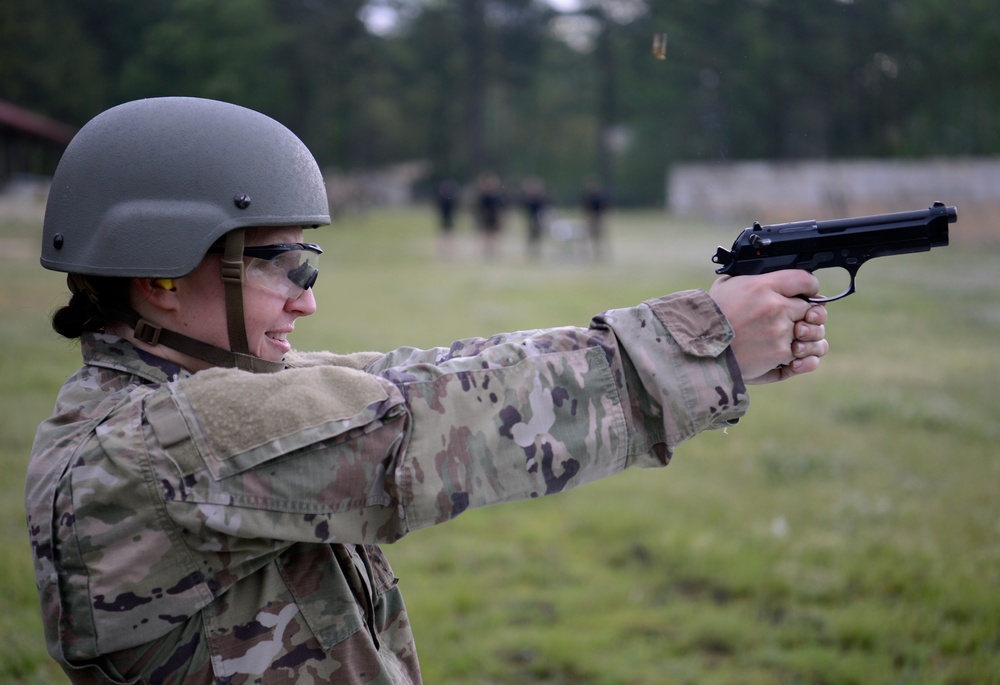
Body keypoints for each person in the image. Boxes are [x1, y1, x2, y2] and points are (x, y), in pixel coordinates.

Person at [26, 97, 829, 685]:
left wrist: (712, 341)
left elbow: (417, 373)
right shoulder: (163, 445)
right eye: (279, 262)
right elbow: (442, 418)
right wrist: (701, 346)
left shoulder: (176, 392)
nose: (307, 298)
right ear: (159, 277)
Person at [474, 171, 505, 260]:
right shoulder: (484, 196)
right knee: (487, 235)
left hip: (495, 217)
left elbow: (501, 208)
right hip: (486, 217)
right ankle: (488, 251)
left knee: (495, 235)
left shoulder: (497, 196)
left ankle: (494, 251)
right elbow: (479, 208)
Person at [520, 175, 550, 260]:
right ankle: (529, 252)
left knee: (538, 236)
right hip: (531, 219)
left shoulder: (541, 198)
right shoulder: (530, 198)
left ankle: (537, 252)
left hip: (539, 219)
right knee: (530, 237)